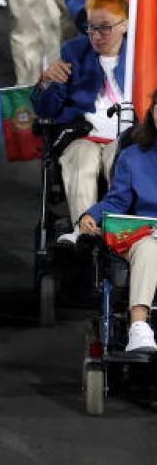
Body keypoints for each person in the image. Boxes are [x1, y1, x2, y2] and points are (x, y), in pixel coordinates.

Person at [33, 0, 128, 246]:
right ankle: (84, 234)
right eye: (91, 28)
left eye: (104, 28)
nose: (96, 36)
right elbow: (44, 109)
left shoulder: (141, 57)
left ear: (124, 24)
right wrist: (48, 83)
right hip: (81, 135)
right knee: (82, 160)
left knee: (119, 162)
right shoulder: (74, 51)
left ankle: (123, 235)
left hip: (125, 138)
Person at [78, 89, 157, 354]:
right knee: (149, 248)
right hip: (143, 234)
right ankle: (138, 327)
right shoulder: (133, 157)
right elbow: (117, 201)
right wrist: (91, 214)